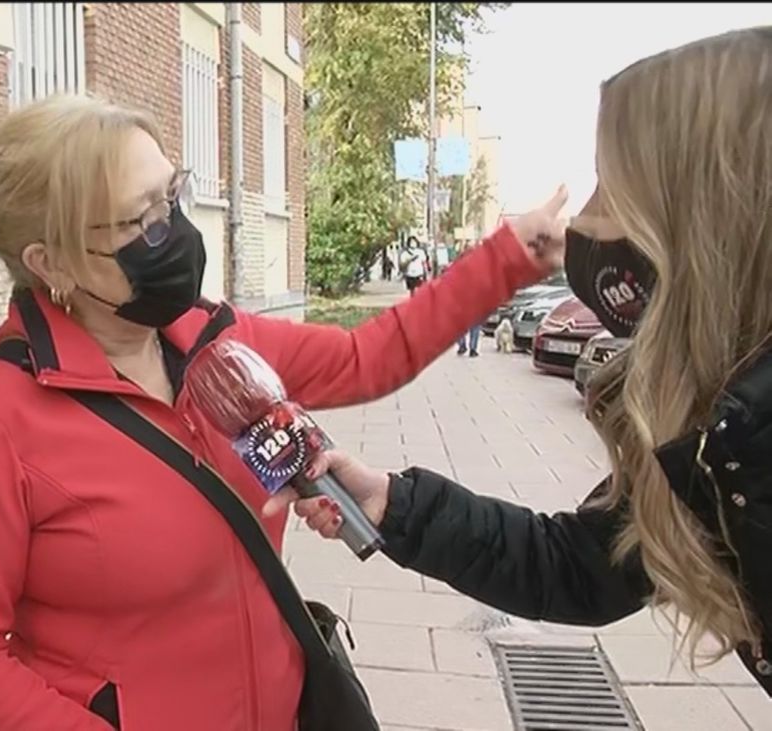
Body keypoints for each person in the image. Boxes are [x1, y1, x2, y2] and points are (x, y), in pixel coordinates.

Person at [0, 94, 565, 730]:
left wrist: (510, 257)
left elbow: (370, 356)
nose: (176, 231)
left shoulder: (218, 339)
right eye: (143, 221)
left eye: (174, 195)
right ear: (53, 262)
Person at [269, 27, 772, 694]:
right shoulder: (721, 427)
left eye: (617, 185)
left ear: (706, 211)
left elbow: (365, 355)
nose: (591, 223)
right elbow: (579, 565)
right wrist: (393, 502)